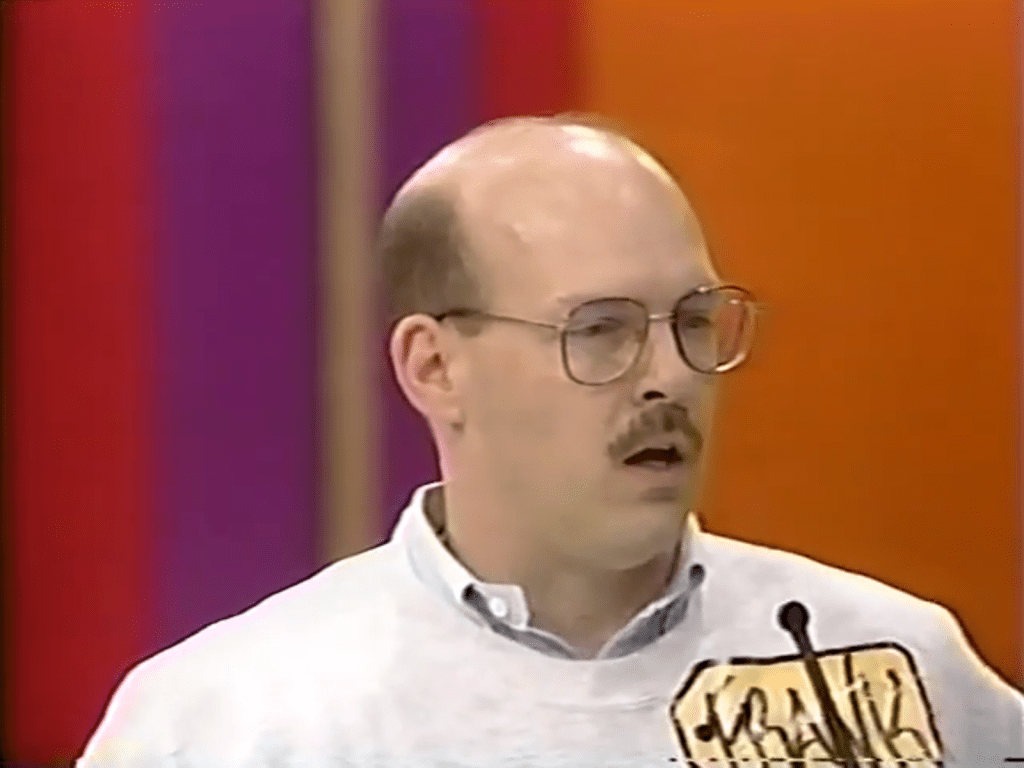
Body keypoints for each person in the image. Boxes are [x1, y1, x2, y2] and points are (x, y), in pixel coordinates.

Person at [78, 115, 1023, 767]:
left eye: (693, 319)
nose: (670, 374)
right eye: (602, 329)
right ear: (435, 368)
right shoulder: (228, 722)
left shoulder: (897, 664)